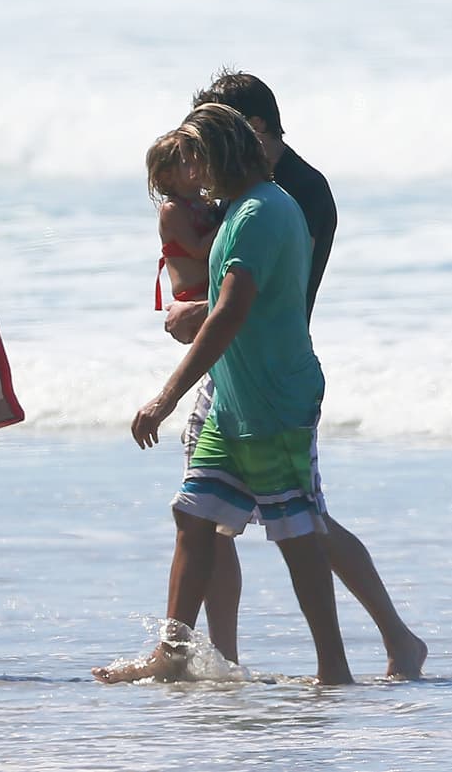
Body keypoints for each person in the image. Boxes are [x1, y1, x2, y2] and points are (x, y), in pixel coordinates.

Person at [166, 71, 426, 678]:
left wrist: (197, 311)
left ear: (253, 130)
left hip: (273, 374)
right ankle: (222, 659)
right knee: (205, 515)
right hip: (229, 367)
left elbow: (271, 290)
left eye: (216, 137)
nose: (202, 159)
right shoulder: (231, 185)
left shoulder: (298, 193)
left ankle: (396, 638)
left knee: (304, 521)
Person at [94, 103, 353, 685]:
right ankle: (174, 654)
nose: (190, 168)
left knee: (296, 530)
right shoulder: (241, 207)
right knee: (194, 515)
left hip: (273, 396)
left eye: (195, 155)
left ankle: (334, 668)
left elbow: (231, 312)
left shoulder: (260, 211)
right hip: (235, 399)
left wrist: (166, 398)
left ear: (222, 153)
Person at [149, 131, 219, 311]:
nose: (198, 164)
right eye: (187, 162)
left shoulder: (207, 202)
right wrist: (228, 223)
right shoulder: (172, 210)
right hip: (192, 295)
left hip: (212, 286)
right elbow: (198, 250)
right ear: (167, 176)